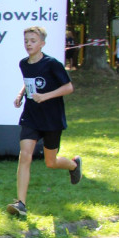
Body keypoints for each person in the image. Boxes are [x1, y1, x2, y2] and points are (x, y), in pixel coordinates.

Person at [6, 26, 81, 217]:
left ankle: (73, 165)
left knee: (51, 162)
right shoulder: (24, 63)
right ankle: (21, 203)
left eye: (33, 40)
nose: (28, 44)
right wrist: (20, 94)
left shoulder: (52, 64)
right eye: (26, 41)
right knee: (25, 155)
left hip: (52, 118)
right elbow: (28, 81)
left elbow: (69, 87)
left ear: (42, 44)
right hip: (31, 116)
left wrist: (46, 96)